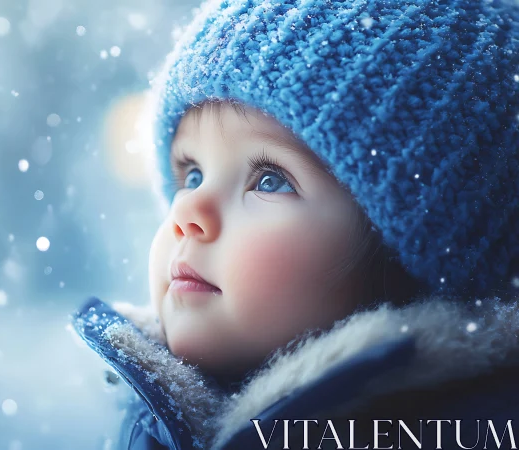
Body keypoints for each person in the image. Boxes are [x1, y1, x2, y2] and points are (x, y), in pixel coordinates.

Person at [71, 0, 519, 448]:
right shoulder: (157, 419)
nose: (187, 212)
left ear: (402, 256)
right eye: (192, 174)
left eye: (269, 180)